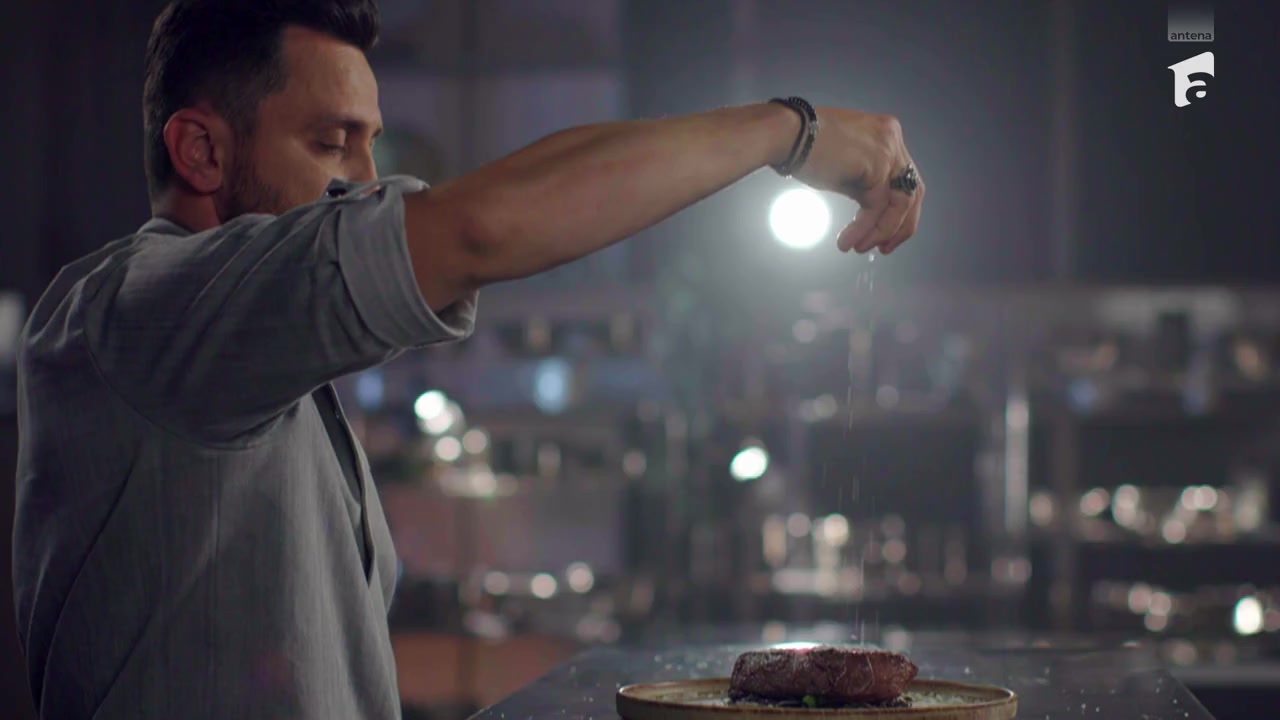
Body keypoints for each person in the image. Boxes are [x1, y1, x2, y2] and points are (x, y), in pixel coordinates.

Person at [11, 0, 924, 718]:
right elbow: (477, 229)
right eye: (330, 143)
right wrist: (788, 133)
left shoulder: (262, 371)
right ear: (201, 150)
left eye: (370, 143)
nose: (365, 181)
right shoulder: (142, 309)